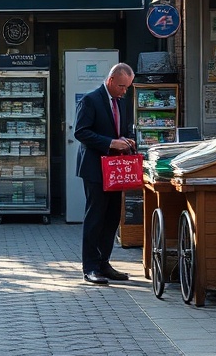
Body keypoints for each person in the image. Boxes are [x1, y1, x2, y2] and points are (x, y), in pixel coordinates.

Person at [75, 62, 136, 285]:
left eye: (127, 87)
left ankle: (104, 263)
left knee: (111, 218)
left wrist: (128, 139)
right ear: (111, 81)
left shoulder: (123, 101)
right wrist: (110, 142)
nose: (124, 91)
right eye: (121, 86)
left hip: (116, 169)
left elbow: (126, 128)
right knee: (95, 217)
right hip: (94, 167)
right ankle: (90, 267)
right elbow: (81, 131)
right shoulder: (90, 100)